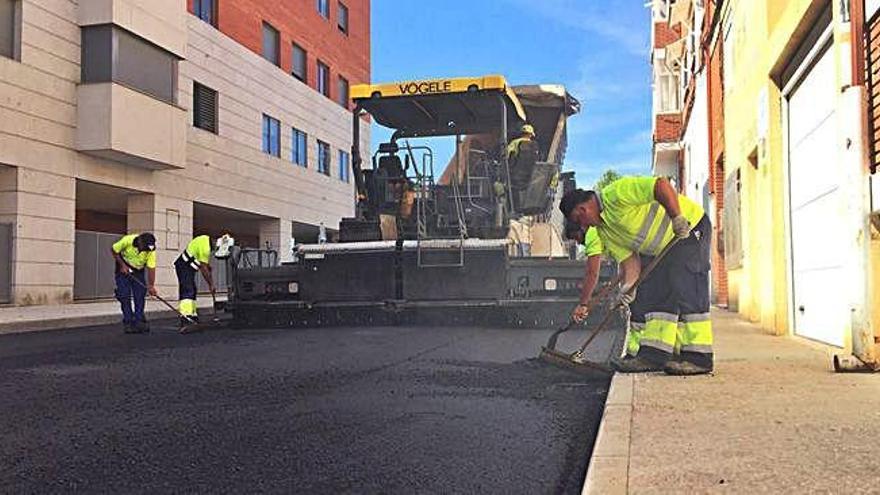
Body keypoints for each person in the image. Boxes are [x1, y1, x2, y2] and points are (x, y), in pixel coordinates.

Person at [559, 176, 713, 376]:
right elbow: (630, 262)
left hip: (688, 228)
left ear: (583, 209)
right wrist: (627, 289)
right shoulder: (605, 231)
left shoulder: (616, 194)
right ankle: (654, 355)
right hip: (661, 249)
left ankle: (699, 358)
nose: (585, 227)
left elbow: (661, 185)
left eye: (580, 221)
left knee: (686, 285)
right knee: (654, 294)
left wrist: (677, 217)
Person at [175, 234, 234, 327]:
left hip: (187, 267)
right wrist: (211, 284)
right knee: (188, 290)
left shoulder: (205, 240)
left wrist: (206, 266)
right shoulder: (205, 248)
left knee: (192, 290)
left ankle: (193, 315)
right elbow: (203, 269)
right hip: (184, 266)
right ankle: (186, 317)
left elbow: (202, 262)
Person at [111, 232, 158, 334]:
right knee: (124, 295)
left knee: (140, 294)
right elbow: (114, 250)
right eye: (144, 249)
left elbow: (151, 268)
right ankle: (128, 321)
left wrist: (151, 286)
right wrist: (122, 265)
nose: (146, 251)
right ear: (140, 243)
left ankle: (139, 320)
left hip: (138, 271)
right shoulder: (127, 240)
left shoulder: (151, 251)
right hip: (123, 269)